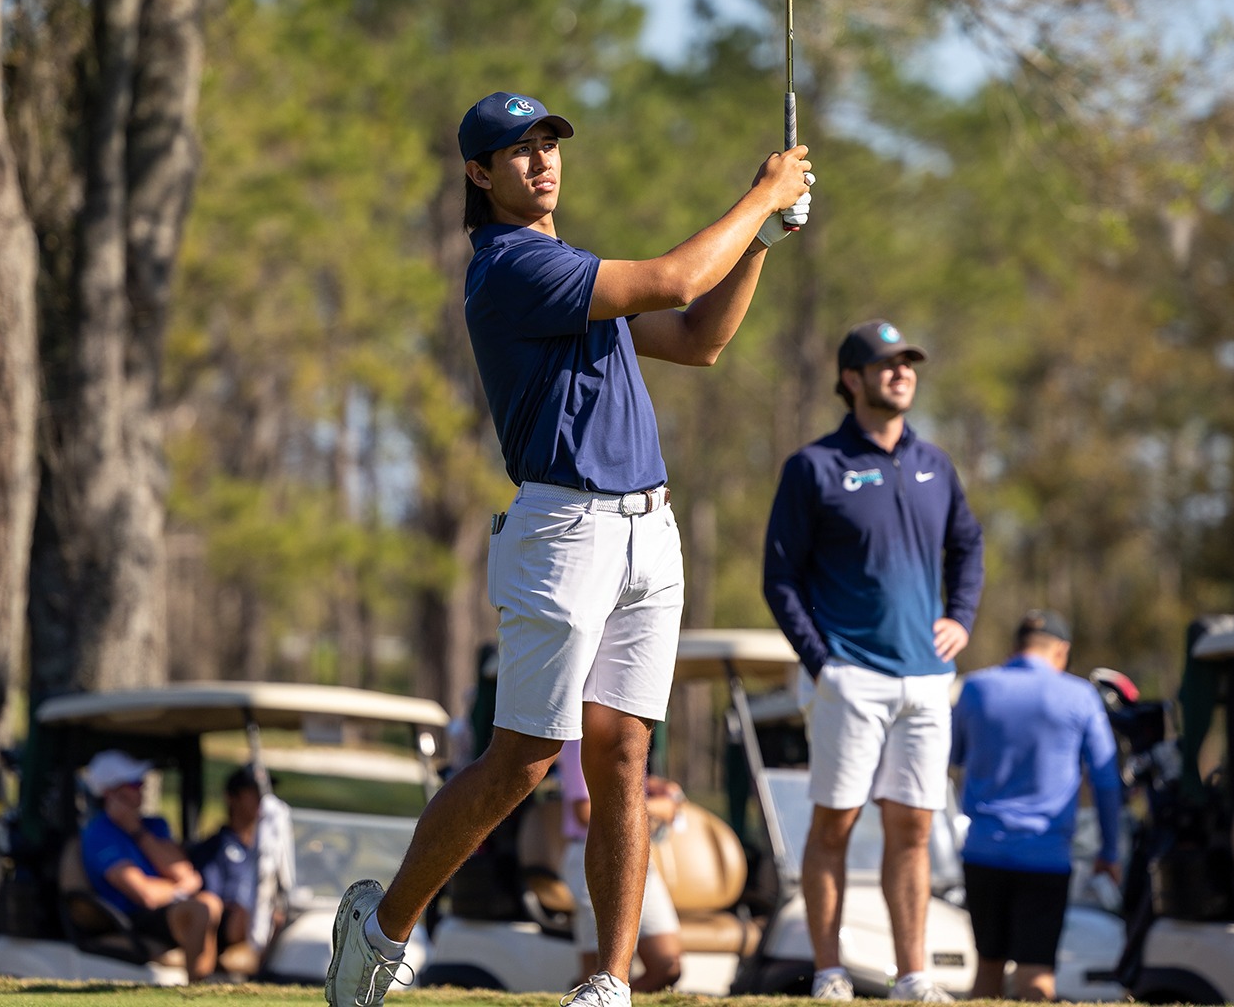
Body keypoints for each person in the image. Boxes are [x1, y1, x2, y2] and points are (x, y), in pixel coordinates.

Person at [325, 90, 813, 1007]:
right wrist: (761, 194)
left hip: (649, 531)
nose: (542, 160)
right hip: (564, 531)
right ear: (480, 174)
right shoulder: (511, 266)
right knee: (524, 760)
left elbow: (699, 339)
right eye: (519, 150)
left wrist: (761, 240)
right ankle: (381, 927)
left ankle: (609, 981)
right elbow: (675, 282)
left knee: (625, 754)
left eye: (550, 143)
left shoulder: (568, 270)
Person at [762, 319, 985, 1002]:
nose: (902, 373)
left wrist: (961, 616)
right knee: (835, 822)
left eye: (908, 363)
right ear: (851, 379)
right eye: (887, 363)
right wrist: (822, 663)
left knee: (914, 828)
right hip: (849, 677)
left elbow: (968, 546)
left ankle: (912, 977)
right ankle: (830, 972)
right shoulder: (815, 466)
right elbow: (780, 578)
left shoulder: (935, 464)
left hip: (926, 680)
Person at [950, 609, 1122, 1002]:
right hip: (1045, 857)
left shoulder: (976, 688)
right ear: (1061, 651)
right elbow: (1106, 779)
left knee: (988, 964)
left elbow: (954, 755)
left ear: (1016, 647)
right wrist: (1109, 851)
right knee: (1036, 971)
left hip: (982, 851)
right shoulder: (1080, 695)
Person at [77, 749, 224, 981]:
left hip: (166, 910)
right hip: (130, 918)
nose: (142, 787)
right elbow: (145, 895)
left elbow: (184, 872)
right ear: (110, 793)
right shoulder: (99, 834)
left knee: (211, 903)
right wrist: (180, 889)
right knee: (200, 909)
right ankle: (198, 989)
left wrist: (136, 831)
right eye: (134, 784)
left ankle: (210, 983)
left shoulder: (153, 826)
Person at [556, 738, 686, 991]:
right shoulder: (578, 741)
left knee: (667, 966)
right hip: (593, 855)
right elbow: (585, 812)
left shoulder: (629, 735)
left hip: (635, 855)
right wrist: (655, 807)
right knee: (595, 975)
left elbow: (619, 784)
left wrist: (652, 786)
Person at [188, 767, 285, 969]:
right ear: (232, 798)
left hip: (262, 915)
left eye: (266, 793)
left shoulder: (271, 849)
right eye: (254, 793)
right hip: (228, 924)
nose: (262, 800)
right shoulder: (214, 848)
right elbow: (211, 896)